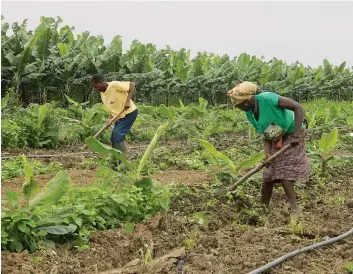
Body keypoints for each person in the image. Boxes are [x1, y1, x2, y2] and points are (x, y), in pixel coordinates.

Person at [227, 81, 310, 215]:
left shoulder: (268, 99)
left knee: (284, 171)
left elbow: (298, 107)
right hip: (276, 138)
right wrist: (267, 154)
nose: (237, 108)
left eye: (238, 105)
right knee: (268, 174)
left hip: (293, 134)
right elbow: (266, 134)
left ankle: (295, 208)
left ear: (246, 101)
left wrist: (296, 135)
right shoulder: (250, 113)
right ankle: (264, 208)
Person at [91, 74, 138, 157]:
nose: (96, 89)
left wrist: (128, 101)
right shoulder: (102, 94)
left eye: (96, 87)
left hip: (129, 113)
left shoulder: (114, 85)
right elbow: (112, 107)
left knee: (118, 134)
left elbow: (132, 85)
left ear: (101, 82)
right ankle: (116, 158)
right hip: (119, 116)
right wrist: (109, 119)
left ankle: (124, 160)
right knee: (113, 137)